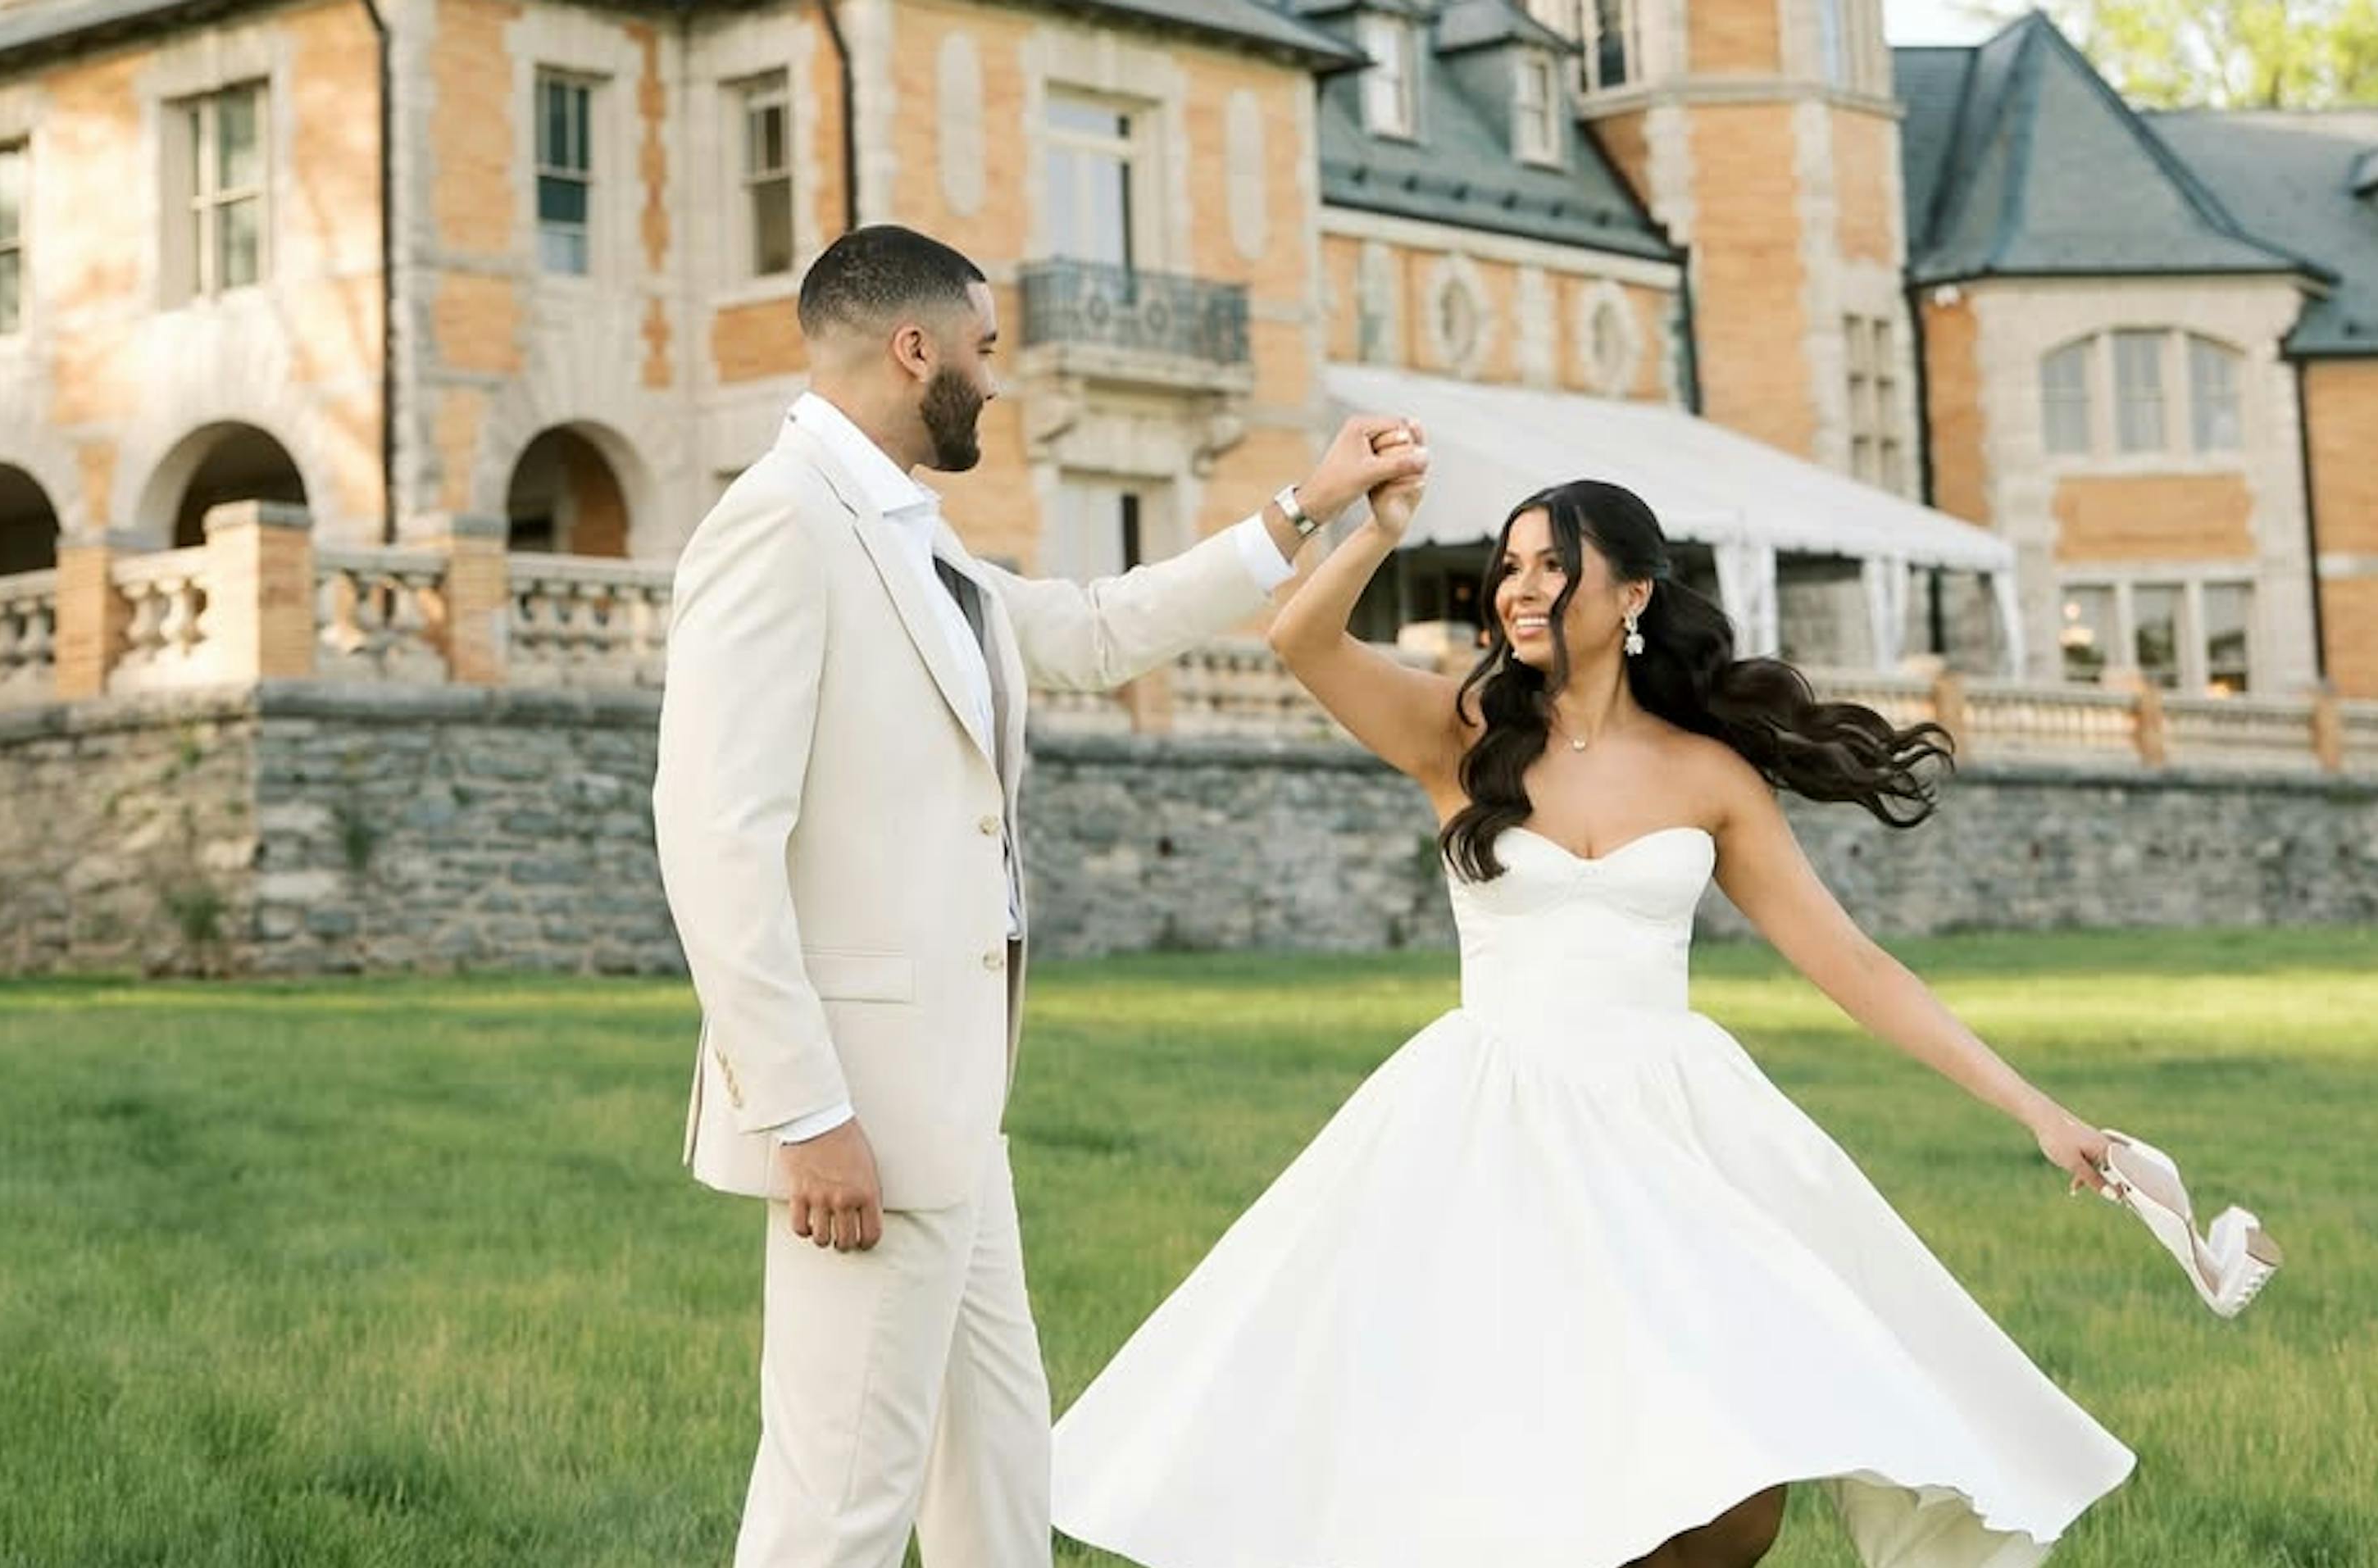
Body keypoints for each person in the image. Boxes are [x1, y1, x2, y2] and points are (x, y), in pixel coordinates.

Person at [1049, 462, 2137, 1568]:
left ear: (1633, 596)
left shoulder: (1708, 773)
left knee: (1733, 1505)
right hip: (1491, 1126)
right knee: (1532, 1463)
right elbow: (1302, 638)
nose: (1519, 588)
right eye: (1507, 567)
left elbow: (1852, 962)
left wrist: (2037, 1109)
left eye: (1553, 565)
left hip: (1672, 1131)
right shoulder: (1458, 733)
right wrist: (1374, 526)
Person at [649, 223, 1426, 1568]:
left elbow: (1096, 628)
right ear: (915, 350)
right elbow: (715, 839)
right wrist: (808, 1113)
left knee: (999, 1470)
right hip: (863, 1115)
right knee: (838, 1496)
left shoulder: (910, 534)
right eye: (984, 349)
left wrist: (1302, 508)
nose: (995, 382)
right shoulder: (778, 525)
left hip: (955, 1107)